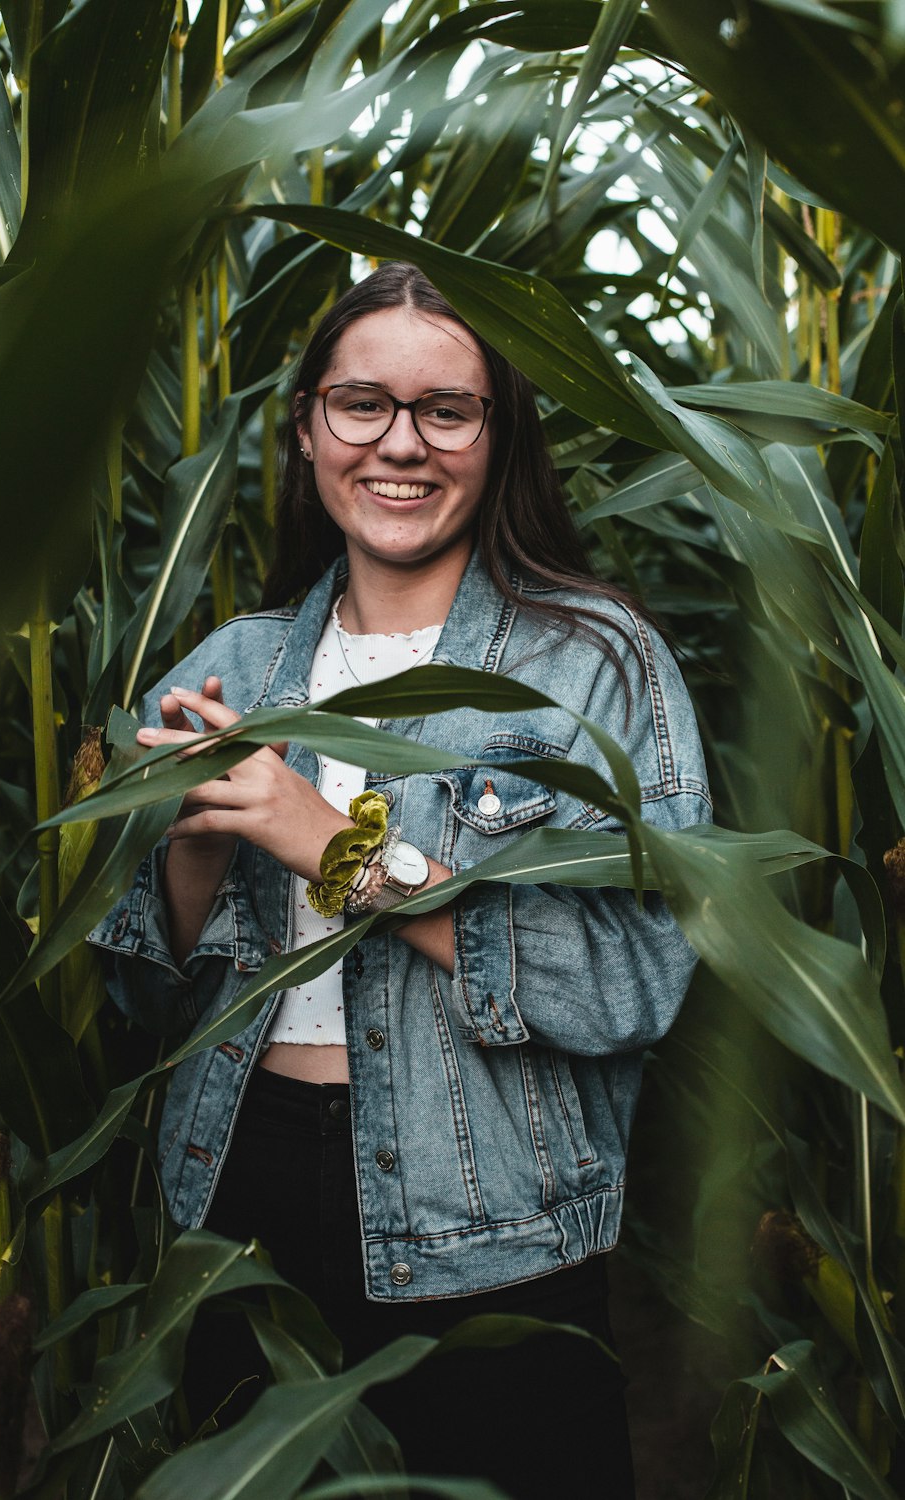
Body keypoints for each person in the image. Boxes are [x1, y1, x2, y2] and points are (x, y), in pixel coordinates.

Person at [88, 262, 711, 1496]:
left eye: (446, 410)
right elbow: (140, 1010)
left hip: (495, 1220)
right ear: (313, 424)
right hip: (241, 1204)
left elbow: (633, 987)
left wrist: (332, 842)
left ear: (497, 435)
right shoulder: (235, 663)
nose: (400, 445)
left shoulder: (595, 665)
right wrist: (202, 849)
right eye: (362, 404)